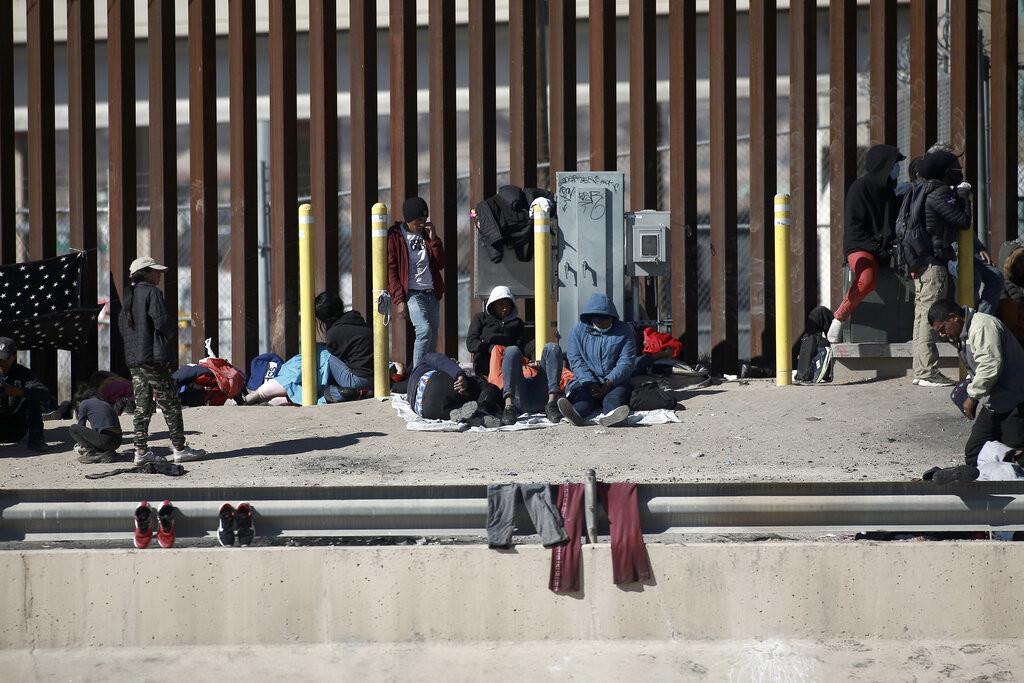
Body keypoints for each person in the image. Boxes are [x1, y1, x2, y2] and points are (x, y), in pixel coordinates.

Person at [118, 256, 205, 464]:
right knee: (171, 402)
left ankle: (140, 452)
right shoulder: (152, 292)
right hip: (153, 359)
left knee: (142, 404)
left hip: (135, 359)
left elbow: (124, 329)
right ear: (145, 273)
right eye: (155, 271)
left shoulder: (129, 297)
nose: (159, 275)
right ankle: (180, 448)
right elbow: (162, 322)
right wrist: (168, 338)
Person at [929, 299, 1024, 466]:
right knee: (975, 452)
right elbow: (977, 367)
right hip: (995, 403)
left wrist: (972, 397)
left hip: (1015, 400)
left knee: (1015, 455)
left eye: (943, 329)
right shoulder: (964, 334)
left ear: (954, 318)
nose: (942, 335)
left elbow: (990, 365)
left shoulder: (982, 326)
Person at [826, 144, 905, 344]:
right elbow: (855, 231)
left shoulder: (889, 192)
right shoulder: (859, 189)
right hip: (860, 247)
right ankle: (839, 317)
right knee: (867, 278)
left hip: (883, 250)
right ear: (884, 165)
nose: (897, 169)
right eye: (895, 164)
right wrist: (880, 249)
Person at [909, 150, 973, 388]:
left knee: (920, 316)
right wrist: (965, 198)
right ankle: (927, 372)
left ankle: (921, 369)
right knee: (929, 317)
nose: (958, 169)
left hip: (921, 262)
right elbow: (962, 222)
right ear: (945, 170)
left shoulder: (921, 189)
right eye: (954, 166)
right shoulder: (939, 192)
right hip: (933, 263)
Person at [558, 293, 637, 428]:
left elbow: (626, 361)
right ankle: (575, 414)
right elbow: (576, 361)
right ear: (589, 317)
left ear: (612, 317)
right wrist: (590, 383)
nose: (600, 321)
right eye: (596, 318)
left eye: (604, 318)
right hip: (584, 381)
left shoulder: (625, 330)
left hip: (616, 381)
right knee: (584, 400)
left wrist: (610, 381)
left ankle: (613, 417)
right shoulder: (576, 332)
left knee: (612, 399)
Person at [387, 196, 447, 369]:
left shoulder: (427, 235)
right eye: (418, 220)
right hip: (412, 293)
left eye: (425, 220)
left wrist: (434, 240)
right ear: (409, 219)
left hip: (431, 292)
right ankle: (417, 374)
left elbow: (441, 263)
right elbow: (391, 271)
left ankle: (428, 372)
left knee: (432, 337)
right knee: (424, 330)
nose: (422, 224)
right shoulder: (396, 236)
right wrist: (399, 300)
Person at [406, 351, 498, 427]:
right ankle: (483, 409)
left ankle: (472, 417)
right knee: (486, 387)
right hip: (434, 384)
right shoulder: (425, 358)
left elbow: (395, 387)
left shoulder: (410, 382)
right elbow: (440, 360)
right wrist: (459, 374)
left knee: (462, 408)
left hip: (426, 411)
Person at [318, 291, 374, 402]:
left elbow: (336, 356)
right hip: (376, 379)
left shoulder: (334, 333)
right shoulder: (356, 319)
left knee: (324, 353)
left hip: (356, 380)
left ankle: (327, 390)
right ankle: (363, 391)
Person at [466, 285, 529, 380]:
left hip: (508, 365)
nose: (505, 308)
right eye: (501, 304)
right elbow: (471, 343)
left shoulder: (517, 323)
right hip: (485, 367)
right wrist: (491, 349)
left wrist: (505, 352)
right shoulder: (480, 318)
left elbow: (521, 345)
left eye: (508, 305)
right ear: (493, 304)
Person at [0, 337, 50, 451]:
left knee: (33, 395)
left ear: (13, 357)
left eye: (4, 359)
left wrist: (18, 391)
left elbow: (45, 393)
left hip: (15, 429)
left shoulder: (23, 374)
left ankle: (36, 440)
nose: (1, 363)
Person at [71, 396, 123, 464]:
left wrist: (82, 444)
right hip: (117, 442)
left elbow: (80, 426)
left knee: (73, 428)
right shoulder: (105, 404)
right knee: (99, 433)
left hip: (106, 440)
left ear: (78, 402)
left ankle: (94, 454)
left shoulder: (84, 403)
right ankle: (107, 452)